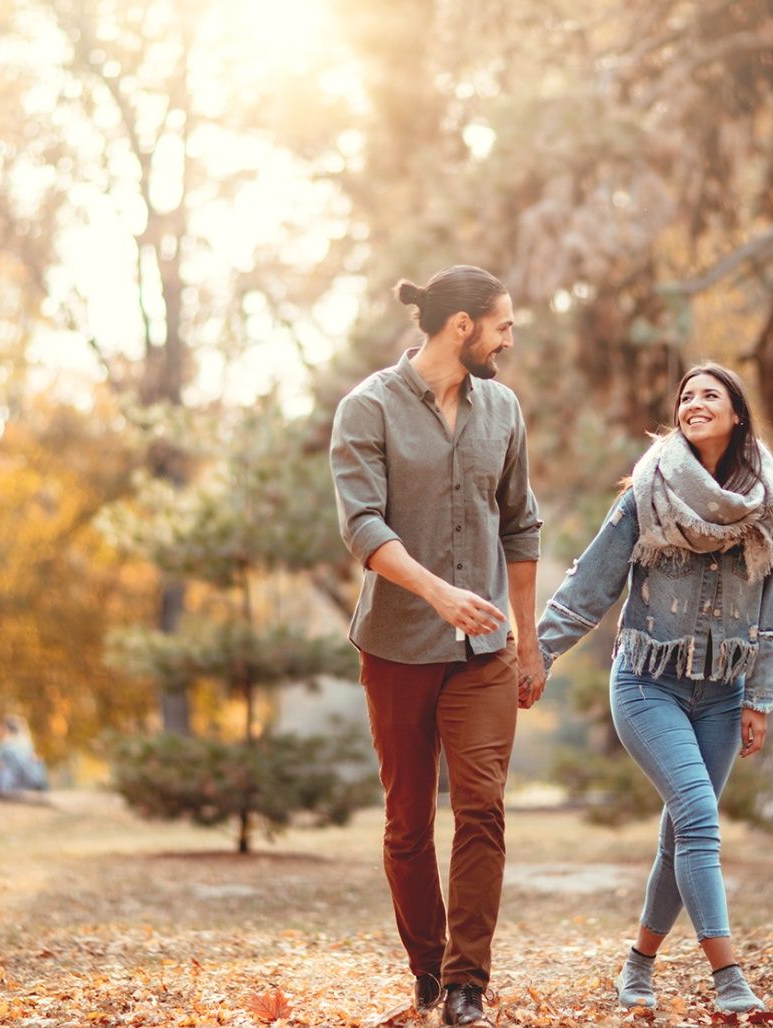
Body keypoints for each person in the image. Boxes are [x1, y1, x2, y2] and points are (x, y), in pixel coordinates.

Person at [536, 362, 773, 1014]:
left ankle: (637, 968)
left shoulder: (768, 510)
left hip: (722, 694)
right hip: (647, 685)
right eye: (686, 396)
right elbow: (592, 581)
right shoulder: (648, 492)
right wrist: (538, 653)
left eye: (710, 394)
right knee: (699, 819)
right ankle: (730, 980)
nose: (695, 403)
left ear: (736, 414)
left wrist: (760, 702)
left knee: (678, 834)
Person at [329, 265, 544, 1026]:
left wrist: (528, 639)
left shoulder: (503, 410)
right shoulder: (368, 409)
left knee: (482, 807)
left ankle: (466, 985)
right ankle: (426, 971)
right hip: (396, 647)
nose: (509, 339)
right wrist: (438, 593)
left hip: (484, 655)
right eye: (503, 326)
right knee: (408, 822)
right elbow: (363, 527)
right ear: (463, 327)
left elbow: (521, 524)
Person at [0, 715, 48, 792]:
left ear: (5, 728)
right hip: (28, 784)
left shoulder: (4, 744)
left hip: (8, 786)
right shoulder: (26, 743)